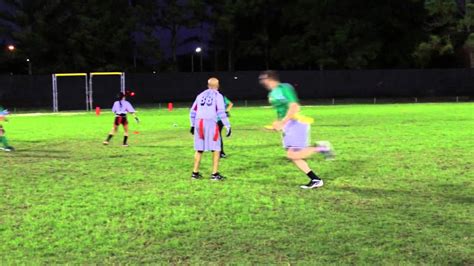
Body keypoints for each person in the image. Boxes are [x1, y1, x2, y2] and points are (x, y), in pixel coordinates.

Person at [259, 70, 334, 189]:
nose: (262, 82)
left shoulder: (284, 87)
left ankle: (321, 148)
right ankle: (315, 179)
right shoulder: (272, 93)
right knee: (294, 156)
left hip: (296, 123)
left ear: (271, 78)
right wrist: (278, 125)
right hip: (288, 125)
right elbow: (281, 111)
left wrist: (283, 122)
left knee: (292, 155)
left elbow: (294, 106)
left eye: (264, 79)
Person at [190, 77, 231, 181]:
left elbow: (192, 111)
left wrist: (192, 124)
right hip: (210, 122)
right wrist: (227, 125)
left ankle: (195, 173)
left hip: (199, 122)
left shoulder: (200, 95)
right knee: (216, 148)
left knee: (199, 149)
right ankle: (214, 174)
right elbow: (221, 112)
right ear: (218, 86)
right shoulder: (218, 95)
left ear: (208, 85)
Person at [216, 92, 233, 158]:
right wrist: (227, 111)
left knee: (217, 135)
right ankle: (220, 152)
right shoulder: (223, 97)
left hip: (217, 119)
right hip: (222, 119)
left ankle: (221, 152)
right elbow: (231, 104)